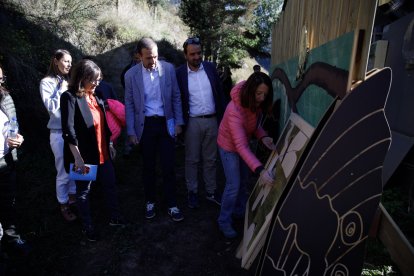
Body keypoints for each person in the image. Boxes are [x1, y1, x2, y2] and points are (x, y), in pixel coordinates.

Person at [60, 59, 125, 241]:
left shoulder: (95, 96)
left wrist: (110, 144)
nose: (97, 83)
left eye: (99, 79)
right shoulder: (70, 97)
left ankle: (114, 217)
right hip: (83, 156)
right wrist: (78, 158)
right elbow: (69, 130)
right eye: (94, 80)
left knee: (110, 185)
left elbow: (104, 126)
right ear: (83, 78)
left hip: (103, 152)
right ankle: (87, 226)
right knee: (83, 192)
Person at [125, 37, 184, 222]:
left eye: (156, 57)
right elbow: (129, 104)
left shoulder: (168, 69)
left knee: (168, 165)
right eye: (149, 58)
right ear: (139, 56)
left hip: (166, 123)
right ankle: (150, 201)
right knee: (148, 166)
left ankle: (172, 204)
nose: (153, 61)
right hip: (146, 125)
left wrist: (179, 122)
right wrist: (131, 131)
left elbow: (175, 96)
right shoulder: (131, 75)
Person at [217, 72, 275, 238]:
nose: (262, 98)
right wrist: (261, 170)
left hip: (242, 145)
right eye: (259, 94)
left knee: (243, 181)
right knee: (233, 184)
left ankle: (239, 212)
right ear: (251, 91)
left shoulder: (254, 103)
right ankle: (224, 221)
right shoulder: (234, 110)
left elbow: (254, 126)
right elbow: (241, 146)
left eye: (265, 94)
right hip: (228, 147)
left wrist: (263, 137)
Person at [176, 37, 225, 209]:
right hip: (192, 123)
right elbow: (177, 99)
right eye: (192, 54)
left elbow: (220, 93)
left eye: (199, 53)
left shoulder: (211, 68)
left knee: (211, 159)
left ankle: (211, 192)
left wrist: (223, 118)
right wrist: (179, 122)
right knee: (192, 159)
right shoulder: (179, 73)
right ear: (185, 55)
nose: (197, 57)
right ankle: (193, 192)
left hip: (212, 121)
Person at [39, 49, 77, 222]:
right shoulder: (46, 83)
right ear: (56, 61)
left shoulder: (70, 80)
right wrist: (63, 89)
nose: (69, 64)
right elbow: (51, 107)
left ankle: (74, 197)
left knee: (76, 165)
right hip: (58, 133)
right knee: (63, 171)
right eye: (66, 61)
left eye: (71, 62)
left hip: (74, 132)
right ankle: (63, 204)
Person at [0, 64, 29, 255]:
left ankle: (11, 238)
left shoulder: (6, 98)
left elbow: (13, 126)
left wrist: (19, 138)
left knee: (8, 203)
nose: (0, 84)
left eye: (1, 80)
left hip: (6, 161)